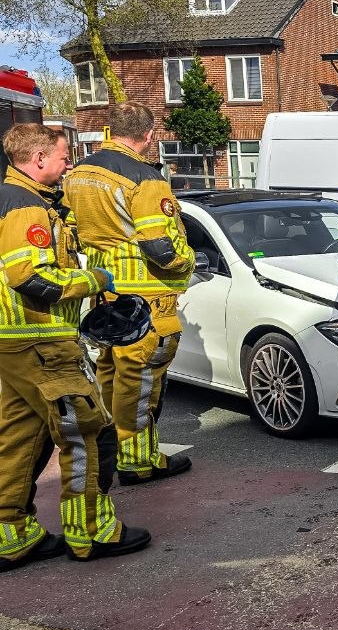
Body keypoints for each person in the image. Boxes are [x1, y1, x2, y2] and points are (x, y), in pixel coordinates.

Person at [0, 124, 151, 571]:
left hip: (14, 342)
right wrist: (94, 281)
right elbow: (31, 278)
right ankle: (91, 530)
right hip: (42, 341)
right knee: (89, 432)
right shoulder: (27, 207)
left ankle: (12, 534)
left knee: (20, 438)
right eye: (64, 157)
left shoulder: (13, 198)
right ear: (39, 158)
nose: (69, 165)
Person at [63, 102, 195, 485]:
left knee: (110, 374)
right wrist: (187, 261)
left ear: (109, 129)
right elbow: (160, 248)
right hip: (147, 298)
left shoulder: (80, 173)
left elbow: (70, 230)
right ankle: (136, 459)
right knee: (141, 381)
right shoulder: (144, 177)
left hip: (106, 292)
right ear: (149, 135)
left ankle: (116, 448)